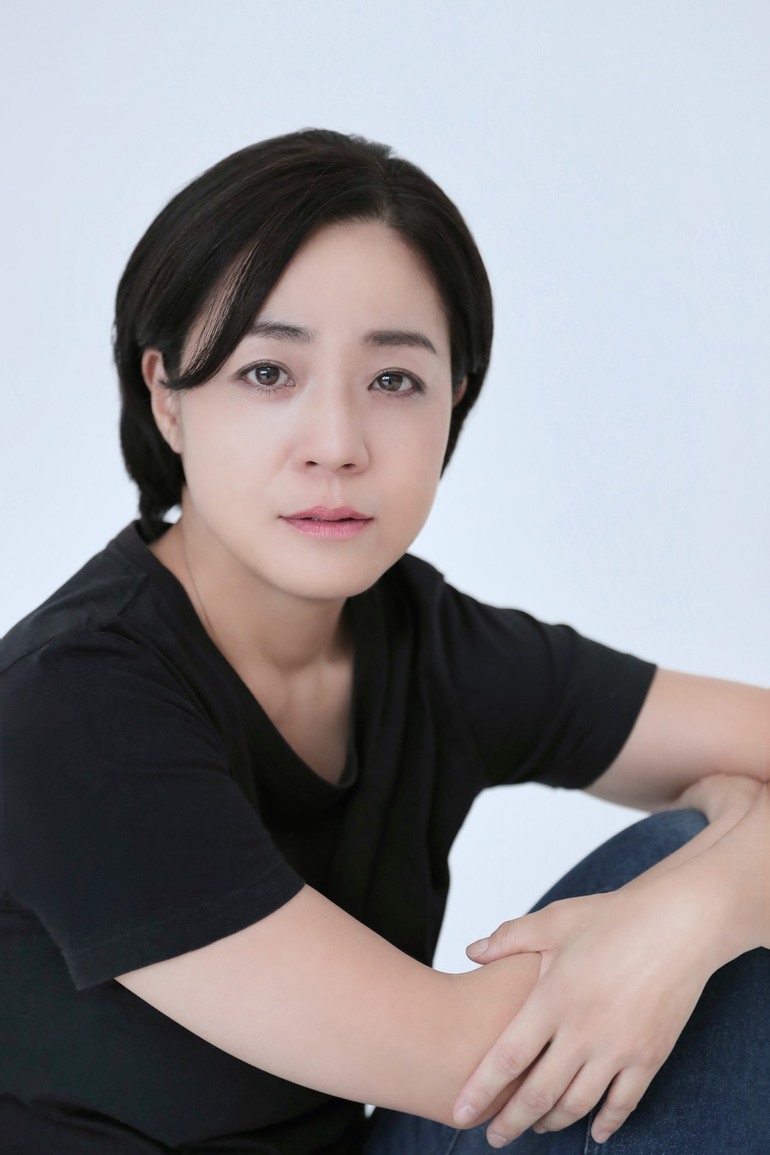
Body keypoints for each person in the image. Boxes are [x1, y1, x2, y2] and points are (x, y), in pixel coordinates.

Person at [0, 129, 767, 1155]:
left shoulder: (420, 638)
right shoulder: (71, 703)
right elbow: (481, 1061)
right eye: (267, 371)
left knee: (696, 880)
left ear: (456, 398)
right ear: (167, 395)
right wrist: (695, 915)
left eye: (394, 380)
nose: (336, 444)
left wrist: (710, 900)